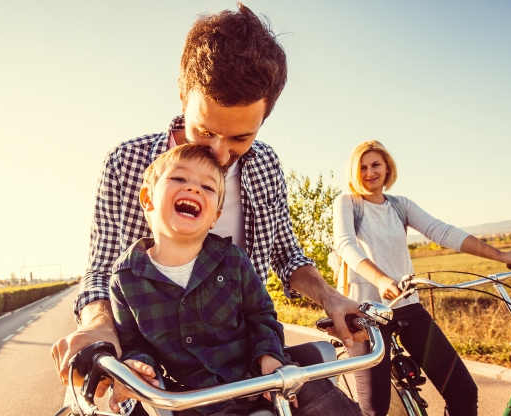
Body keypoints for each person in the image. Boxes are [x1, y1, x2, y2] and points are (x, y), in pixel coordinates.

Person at [51, 4, 368, 413]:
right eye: (204, 131)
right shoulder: (127, 164)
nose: (220, 154)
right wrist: (98, 327)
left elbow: (287, 255)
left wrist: (331, 298)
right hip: (159, 379)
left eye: (240, 137)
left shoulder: (266, 165)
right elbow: (101, 268)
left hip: (249, 361)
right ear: (183, 96)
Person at [109, 143, 361, 415]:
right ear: (147, 199)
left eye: (207, 188)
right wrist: (138, 367)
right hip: (196, 399)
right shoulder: (125, 280)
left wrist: (270, 360)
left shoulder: (233, 260)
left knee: (321, 398)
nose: (193, 188)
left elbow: (261, 315)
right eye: (179, 178)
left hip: (263, 374)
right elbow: (135, 345)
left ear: (214, 217)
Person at [332, 140, 511, 416]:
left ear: (387, 167)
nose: (370, 173)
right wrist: (380, 280)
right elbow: (346, 244)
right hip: (365, 313)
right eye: (362, 167)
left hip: (406, 304)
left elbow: (442, 231)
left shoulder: (400, 206)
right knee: (375, 409)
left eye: (376, 165)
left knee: (463, 390)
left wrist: (502, 255)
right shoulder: (348, 203)